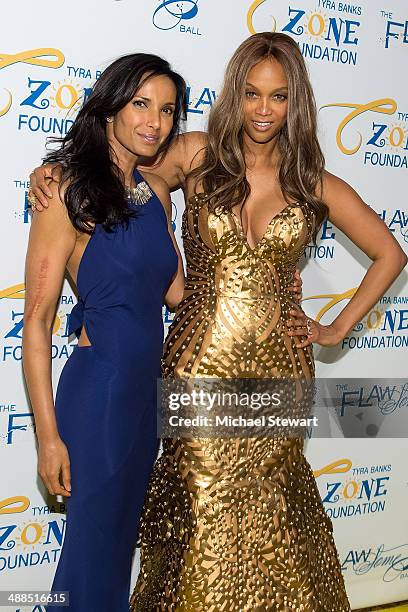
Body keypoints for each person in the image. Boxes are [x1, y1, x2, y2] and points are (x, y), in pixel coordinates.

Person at [29, 32, 407, 611]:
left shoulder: (311, 182)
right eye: (252, 93)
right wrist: (55, 173)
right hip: (196, 368)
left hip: (282, 369)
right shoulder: (198, 152)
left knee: (272, 510)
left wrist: (335, 327)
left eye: (279, 97)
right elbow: (128, 175)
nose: (263, 109)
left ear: (295, 103)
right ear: (234, 93)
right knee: (201, 510)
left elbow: (390, 254)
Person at [22, 53, 185, 612]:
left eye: (166, 110)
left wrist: (255, 284)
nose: (154, 122)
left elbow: (178, 295)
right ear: (110, 106)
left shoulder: (155, 192)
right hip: (102, 393)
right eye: (141, 104)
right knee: (92, 550)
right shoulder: (65, 192)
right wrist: (48, 438)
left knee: (115, 549)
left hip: (148, 395)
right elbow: (38, 321)